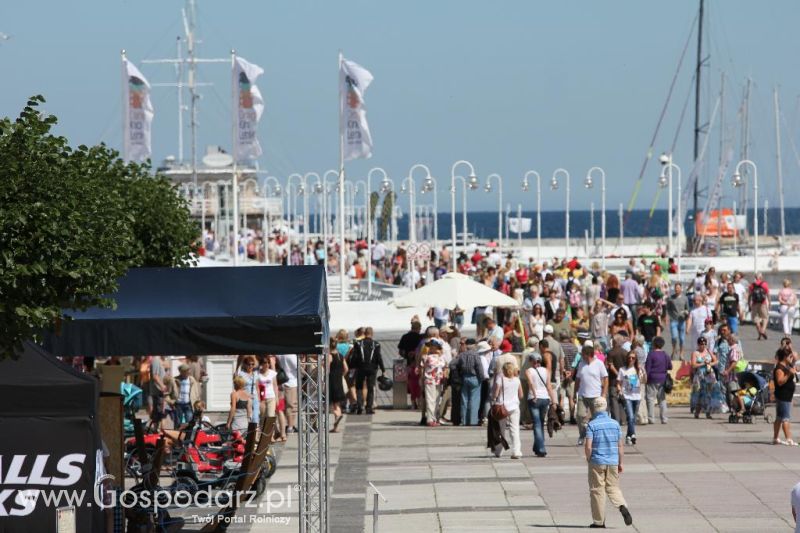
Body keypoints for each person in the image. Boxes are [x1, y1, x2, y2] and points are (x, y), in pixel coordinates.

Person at [584, 397, 633, 529]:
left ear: (594, 408)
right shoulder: (615, 424)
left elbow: (588, 446)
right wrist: (620, 462)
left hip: (597, 461)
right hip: (612, 461)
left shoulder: (592, 425)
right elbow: (620, 446)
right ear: (605, 407)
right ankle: (622, 505)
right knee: (613, 488)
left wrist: (589, 459)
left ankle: (599, 522)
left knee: (597, 490)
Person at [575, 344, 609, 446]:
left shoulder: (599, 364)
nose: (582, 356)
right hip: (583, 394)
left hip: (596, 395)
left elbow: (606, 378)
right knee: (580, 416)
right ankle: (582, 435)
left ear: (589, 355)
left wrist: (604, 393)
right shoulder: (581, 364)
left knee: (597, 418)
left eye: (583, 354)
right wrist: (574, 393)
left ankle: (595, 437)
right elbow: (577, 379)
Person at [491, 362, 523, 459]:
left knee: (501, 430)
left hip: (502, 407)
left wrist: (493, 398)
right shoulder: (517, 380)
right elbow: (521, 395)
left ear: (504, 370)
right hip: (514, 407)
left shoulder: (500, 380)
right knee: (515, 429)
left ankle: (499, 451)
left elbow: (495, 394)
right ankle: (516, 451)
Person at [525, 352, 554, 457]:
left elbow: (530, 383)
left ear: (532, 361)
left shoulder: (529, 371)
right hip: (545, 398)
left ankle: (541, 448)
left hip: (534, 399)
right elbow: (549, 386)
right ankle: (537, 446)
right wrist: (554, 400)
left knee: (537, 424)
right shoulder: (546, 371)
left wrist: (534, 394)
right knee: (540, 423)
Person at [351, 327, 385, 414]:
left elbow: (354, 357)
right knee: (370, 387)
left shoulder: (358, 343)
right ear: (372, 334)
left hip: (360, 368)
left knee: (359, 387)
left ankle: (359, 406)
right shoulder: (376, 344)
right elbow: (378, 357)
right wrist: (382, 369)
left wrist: (352, 366)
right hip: (372, 368)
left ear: (364, 334)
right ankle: (369, 407)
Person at [618, 351, 645, 445]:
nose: (631, 359)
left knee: (632, 418)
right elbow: (619, 383)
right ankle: (633, 434)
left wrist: (643, 372)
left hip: (637, 396)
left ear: (636, 359)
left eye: (633, 358)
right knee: (630, 416)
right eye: (629, 357)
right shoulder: (622, 369)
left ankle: (628, 436)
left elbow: (644, 381)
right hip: (627, 396)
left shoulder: (638, 369)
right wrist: (620, 391)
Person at [457, 340, 487, 426]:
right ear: (474, 346)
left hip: (464, 377)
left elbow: (454, 365)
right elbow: (479, 368)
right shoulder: (476, 355)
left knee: (464, 400)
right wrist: (481, 378)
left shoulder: (461, 355)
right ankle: (473, 421)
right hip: (475, 378)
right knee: (474, 400)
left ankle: (464, 421)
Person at [644, 336, 672, 424]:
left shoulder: (651, 354)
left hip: (652, 379)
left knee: (650, 399)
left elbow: (647, 368)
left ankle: (651, 418)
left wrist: (646, 378)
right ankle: (664, 419)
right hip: (663, 379)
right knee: (662, 400)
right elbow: (670, 366)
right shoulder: (665, 354)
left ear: (654, 344)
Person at [773, 347, 797, 446]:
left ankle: (775, 438)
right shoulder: (779, 368)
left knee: (779, 417)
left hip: (786, 395)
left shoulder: (787, 366)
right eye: (789, 356)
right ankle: (789, 438)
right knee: (785, 418)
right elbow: (780, 381)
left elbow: (795, 357)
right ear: (784, 357)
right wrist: (788, 374)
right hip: (783, 396)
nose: (791, 358)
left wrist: (792, 358)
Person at [690, 337, 718, 419]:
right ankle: (697, 412)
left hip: (709, 374)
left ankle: (708, 413)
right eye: (701, 344)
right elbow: (693, 365)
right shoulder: (695, 353)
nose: (703, 346)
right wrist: (703, 363)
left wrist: (710, 364)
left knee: (709, 394)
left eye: (705, 344)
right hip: (699, 375)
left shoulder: (708, 351)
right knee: (699, 394)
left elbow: (716, 361)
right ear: (698, 344)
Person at [420, 340, 446, 427]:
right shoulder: (434, 357)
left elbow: (422, 368)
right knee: (432, 400)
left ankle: (433, 418)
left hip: (434, 380)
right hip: (433, 380)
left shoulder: (428, 357)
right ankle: (431, 419)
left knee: (434, 400)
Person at [605, 335, 628, 423]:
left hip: (614, 380)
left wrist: (618, 374)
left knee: (614, 399)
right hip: (624, 381)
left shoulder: (611, 353)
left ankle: (616, 420)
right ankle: (623, 419)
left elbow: (610, 366)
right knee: (622, 399)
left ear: (614, 342)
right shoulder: (626, 352)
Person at [329, 335, 349, 433]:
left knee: (333, 404)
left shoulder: (329, 356)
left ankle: (338, 415)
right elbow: (346, 369)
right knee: (337, 403)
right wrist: (341, 375)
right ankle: (336, 426)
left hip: (331, 381)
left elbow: (326, 369)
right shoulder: (340, 355)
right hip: (339, 380)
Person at [666, 283, 689, 360]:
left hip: (682, 321)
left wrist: (686, 313)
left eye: (678, 288)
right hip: (674, 320)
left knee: (682, 339)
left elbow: (688, 309)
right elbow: (668, 308)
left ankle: (681, 354)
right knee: (674, 337)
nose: (677, 289)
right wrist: (669, 317)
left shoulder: (685, 298)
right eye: (676, 288)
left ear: (681, 289)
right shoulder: (671, 298)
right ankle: (673, 350)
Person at [277, 353, 299, 433]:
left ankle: (291, 425)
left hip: (283, 381)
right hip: (291, 382)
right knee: (291, 406)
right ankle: (290, 427)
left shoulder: (280, 353)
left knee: (287, 406)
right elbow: (298, 367)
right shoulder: (290, 355)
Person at [236, 355, 261, 426]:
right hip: (246, 399)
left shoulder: (255, 374)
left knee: (255, 418)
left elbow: (257, 388)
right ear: (245, 364)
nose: (251, 366)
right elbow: (239, 388)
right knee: (248, 418)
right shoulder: (241, 374)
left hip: (255, 398)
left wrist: (259, 399)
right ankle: (248, 435)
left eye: (252, 364)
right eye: (249, 364)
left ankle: (255, 435)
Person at [749, 273, 770, 340]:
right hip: (762, 303)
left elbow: (749, 295)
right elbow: (768, 294)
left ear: (755, 277)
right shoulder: (764, 284)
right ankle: (763, 330)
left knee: (755, 318)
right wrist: (769, 302)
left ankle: (759, 333)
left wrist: (748, 303)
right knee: (765, 317)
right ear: (761, 277)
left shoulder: (752, 285)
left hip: (754, 303)